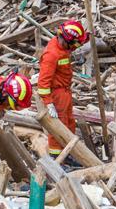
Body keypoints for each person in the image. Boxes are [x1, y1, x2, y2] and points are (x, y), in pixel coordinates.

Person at [37, 20, 89, 157]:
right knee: (58, 128)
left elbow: (76, 42)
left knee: (69, 123)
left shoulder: (62, 46)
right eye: (73, 44)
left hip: (65, 91)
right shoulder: (52, 55)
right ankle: (57, 158)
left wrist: (87, 36)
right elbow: (42, 83)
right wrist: (49, 103)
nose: (73, 48)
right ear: (66, 40)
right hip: (57, 95)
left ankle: (68, 152)